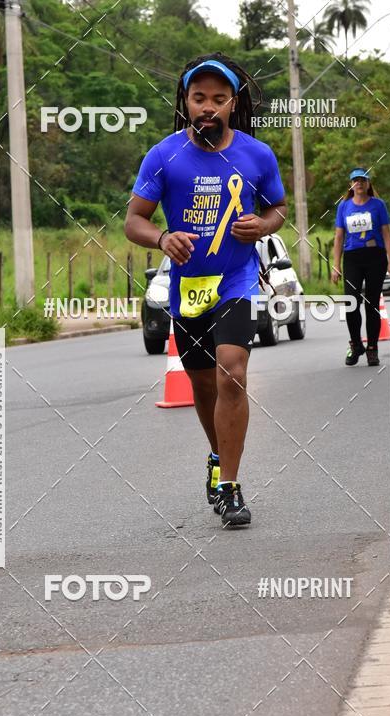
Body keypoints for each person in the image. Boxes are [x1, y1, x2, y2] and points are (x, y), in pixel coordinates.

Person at [124, 53, 287, 527]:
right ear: (187, 102)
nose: (208, 107)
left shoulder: (257, 155)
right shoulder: (163, 156)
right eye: (200, 98)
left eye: (219, 98)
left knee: (231, 374)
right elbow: (134, 219)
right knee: (200, 383)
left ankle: (232, 487)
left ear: (233, 104)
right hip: (188, 285)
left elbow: (277, 207)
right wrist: (161, 237)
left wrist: (262, 225)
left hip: (236, 279)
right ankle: (218, 458)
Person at [331, 168, 390, 366]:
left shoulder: (378, 205)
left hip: (375, 256)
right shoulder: (344, 206)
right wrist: (336, 266)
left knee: (372, 304)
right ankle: (356, 344)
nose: (359, 183)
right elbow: (339, 236)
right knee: (351, 303)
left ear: (368, 183)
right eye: (355, 180)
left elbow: (387, 234)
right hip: (352, 258)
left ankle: (372, 349)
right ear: (351, 185)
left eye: (362, 180)